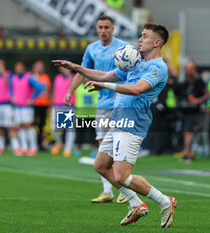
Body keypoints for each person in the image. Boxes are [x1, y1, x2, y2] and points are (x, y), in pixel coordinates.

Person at [53, 23, 177, 228]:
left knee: (122, 175)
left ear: (157, 42)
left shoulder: (159, 67)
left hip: (133, 124)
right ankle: (136, 204)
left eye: (145, 36)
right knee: (101, 165)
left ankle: (165, 202)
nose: (140, 39)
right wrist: (75, 67)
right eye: (141, 35)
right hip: (118, 121)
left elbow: (137, 89)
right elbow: (102, 75)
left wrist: (104, 86)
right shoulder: (135, 62)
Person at [63, 15, 128, 204]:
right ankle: (107, 190)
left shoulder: (123, 48)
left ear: (113, 28)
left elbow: (131, 72)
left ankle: (124, 188)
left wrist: (125, 91)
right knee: (102, 147)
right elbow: (82, 71)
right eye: (100, 27)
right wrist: (70, 91)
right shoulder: (92, 49)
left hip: (120, 103)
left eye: (106, 27)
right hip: (101, 105)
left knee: (119, 145)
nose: (103, 30)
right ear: (96, 28)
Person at [178, 60, 210, 161]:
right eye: (187, 69)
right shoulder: (184, 83)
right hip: (186, 111)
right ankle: (188, 152)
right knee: (186, 132)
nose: (188, 71)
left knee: (189, 131)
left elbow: (208, 94)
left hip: (197, 112)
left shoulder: (199, 81)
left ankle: (188, 153)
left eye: (190, 69)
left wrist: (198, 101)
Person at [10, 62, 44, 156]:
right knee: (20, 126)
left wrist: (32, 99)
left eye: (20, 67)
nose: (18, 69)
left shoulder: (28, 77)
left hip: (26, 107)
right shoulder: (14, 77)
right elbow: (11, 89)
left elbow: (39, 88)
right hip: (17, 106)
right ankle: (24, 147)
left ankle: (33, 147)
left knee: (28, 126)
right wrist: (12, 96)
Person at [0, 60, 20, 155]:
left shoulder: (9, 75)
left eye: (0, 66)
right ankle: (0, 147)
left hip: (6, 104)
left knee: (10, 126)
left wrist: (3, 74)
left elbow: (10, 84)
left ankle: (15, 147)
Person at [50, 66, 76, 157]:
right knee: (54, 127)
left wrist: (69, 76)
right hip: (57, 105)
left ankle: (68, 149)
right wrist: (51, 105)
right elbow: (54, 91)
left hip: (69, 106)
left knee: (69, 129)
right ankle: (59, 142)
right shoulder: (57, 78)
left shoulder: (74, 77)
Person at [32, 60, 51, 151]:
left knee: (42, 125)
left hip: (44, 104)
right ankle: (33, 144)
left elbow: (48, 91)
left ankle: (41, 143)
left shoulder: (46, 77)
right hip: (34, 104)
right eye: (37, 66)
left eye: (41, 66)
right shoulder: (31, 77)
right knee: (33, 125)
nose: (39, 68)